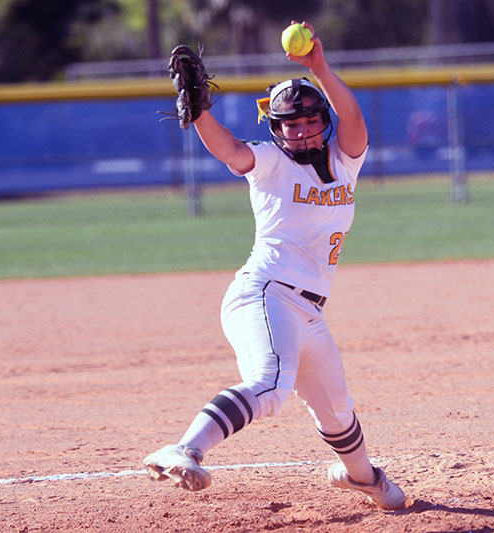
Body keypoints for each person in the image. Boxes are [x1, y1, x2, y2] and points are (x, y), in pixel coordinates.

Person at [143, 21, 406, 510]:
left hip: (310, 311)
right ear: (276, 129)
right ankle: (185, 448)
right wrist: (200, 113)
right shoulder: (269, 162)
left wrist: (318, 66)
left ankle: (364, 479)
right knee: (270, 384)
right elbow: (229, 149)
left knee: (336, 410)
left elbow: (354, 117)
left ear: (321, 121)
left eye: (308, 120)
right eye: (290, 123)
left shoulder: (345, 161)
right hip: (265, 294)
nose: (300, 130)